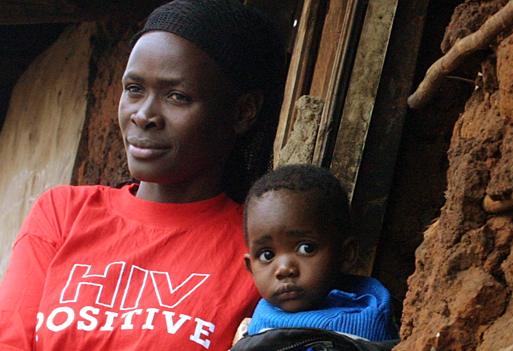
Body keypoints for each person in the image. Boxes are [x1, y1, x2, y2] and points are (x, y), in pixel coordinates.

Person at [0, 1, 284, 350]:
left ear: (243, 112)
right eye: (134, 89)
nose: (143, 115)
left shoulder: (259, 248)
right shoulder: (63, 213)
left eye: (177, 96)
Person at [241, 164, 398, 342]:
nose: (284, 269)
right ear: (250, 267)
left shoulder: (367, 321)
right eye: (267, 255)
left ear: (346, 254)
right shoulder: (257, 322)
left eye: (306, 248)